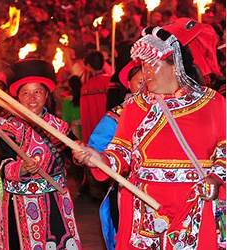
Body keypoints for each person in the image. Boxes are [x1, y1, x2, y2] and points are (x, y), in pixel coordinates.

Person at [73, 18, 225, 249]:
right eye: (143, 66)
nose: (146, 73)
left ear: (176, 65)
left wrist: (216, 176)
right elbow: (120, 152)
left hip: (196, 202)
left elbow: (225, 146)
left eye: (152, 65)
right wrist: (99, 159)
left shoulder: (211, 102)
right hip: (146, 206)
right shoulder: (135, 107)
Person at [0, 59, 82, 249]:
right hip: (21, 203)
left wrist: (79, 153)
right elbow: (4, 166)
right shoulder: (8, 129)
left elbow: (72, 156)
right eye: (25, 93)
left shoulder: (58, 126)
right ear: (18, 97)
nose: (32, 98)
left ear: (46, 95)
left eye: (37, 92)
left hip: (56, 200)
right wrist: (21, 168)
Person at [88, 61, 142, 250]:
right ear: (128, 84)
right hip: (126, 189)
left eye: (148, 81)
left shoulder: (165, 110)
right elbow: (97, 147)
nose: (144, 87)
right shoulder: (117, 116)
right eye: (139, 82)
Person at [80, 51, 110, 144]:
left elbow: (85, 117)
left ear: (88, 66)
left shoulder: (86, 87)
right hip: (112, 129)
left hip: (95, 132)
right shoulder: (111, 81)